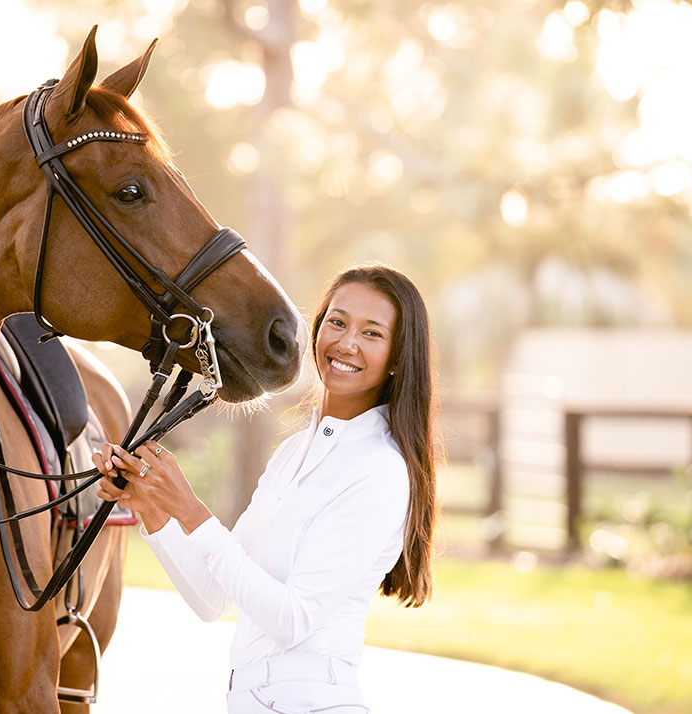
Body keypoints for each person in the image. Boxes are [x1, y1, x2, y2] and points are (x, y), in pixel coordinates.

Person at [93, 262, 439, 713]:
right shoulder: (294, 452)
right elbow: (212, 599)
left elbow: (292, 621)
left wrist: (191, 508)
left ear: (397, 356)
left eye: (372, 333)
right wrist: (155, 510)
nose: (347, 343)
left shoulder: (379, 469)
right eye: (337, 322)